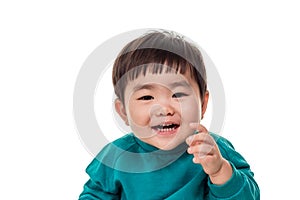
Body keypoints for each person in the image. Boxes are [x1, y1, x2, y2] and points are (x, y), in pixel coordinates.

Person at [79, 30, 260, 199]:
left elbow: (250, 196)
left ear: (203, 104)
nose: (164, 109)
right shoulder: (116, 157)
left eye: (178, 95)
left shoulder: (215, 151)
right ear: (123, 111)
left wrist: (219, 171)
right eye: (146, 97)